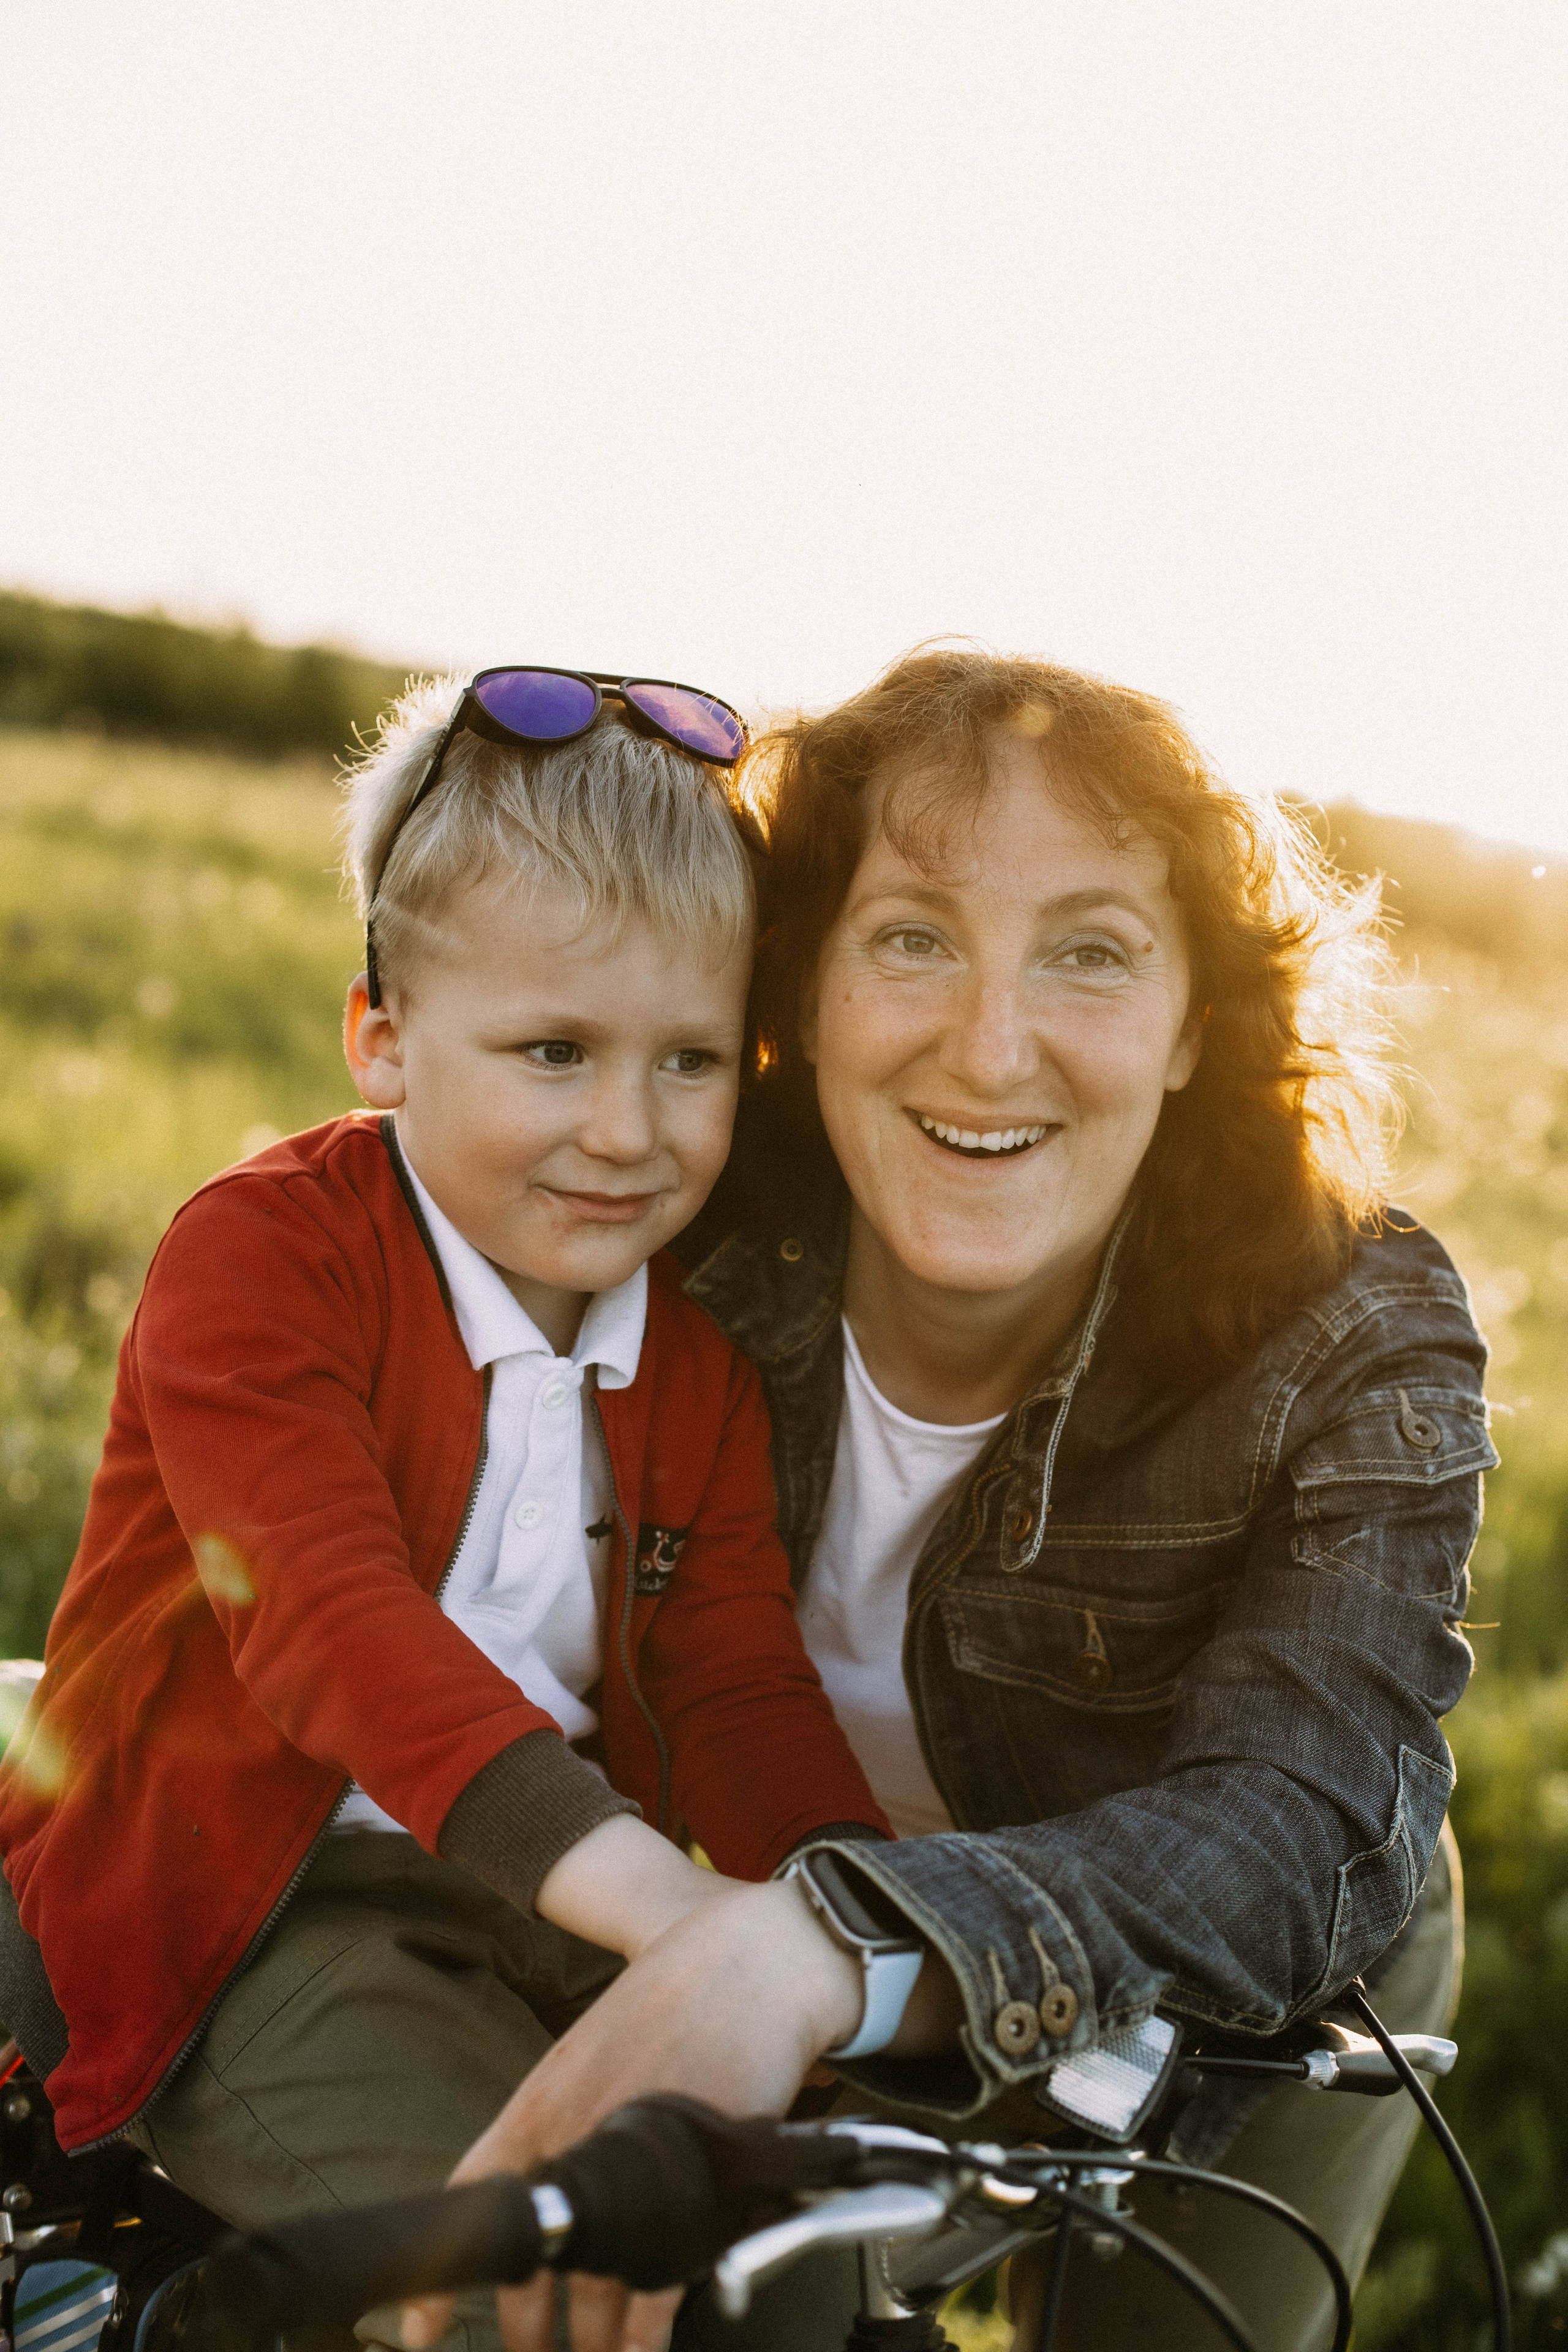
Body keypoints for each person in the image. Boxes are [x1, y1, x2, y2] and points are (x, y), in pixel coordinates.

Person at [419, 648, 1493, 2352]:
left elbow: (1298, 1827)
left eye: (1090, 952)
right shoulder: (661, 1213)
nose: (991, 1050)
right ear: (805, 987)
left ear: (1194, 1016)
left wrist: (817, 1938)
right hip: (720, 1931)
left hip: (1226, 2005)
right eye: (913, 936)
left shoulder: (1352, 1324)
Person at [0, 668, 890, 2342]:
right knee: (527, 2290)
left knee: (805, 2270)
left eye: (690, 1060)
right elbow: (333, 1626)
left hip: (550, 1908)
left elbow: (737, 1682)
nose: (627, 1133)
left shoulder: (687, 1363)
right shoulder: (266, 1260)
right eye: (555, 1051)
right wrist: (678, 1914)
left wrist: (869, 1927)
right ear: (383, 1039)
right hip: (240, 1925)